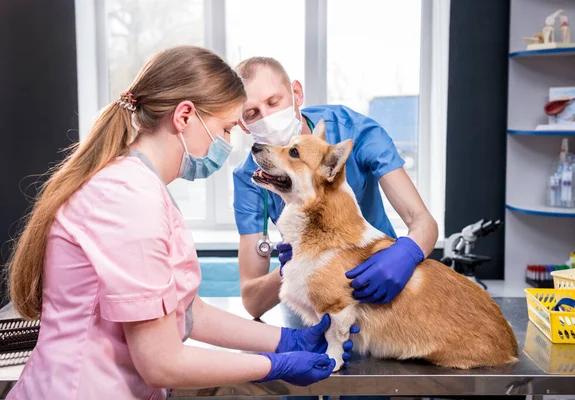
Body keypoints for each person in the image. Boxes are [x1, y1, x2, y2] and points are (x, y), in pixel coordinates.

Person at [6, 46, 359, 400]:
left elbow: (186, 312)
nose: (226, 143)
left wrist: (287, 340)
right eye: (224, 129)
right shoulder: (128, 198)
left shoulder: (140, 187)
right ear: (185, 116)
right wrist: (273, 365)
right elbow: (162, 362)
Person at [233, 57, 439, 319]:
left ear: (296, 93)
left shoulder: (353, 131)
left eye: (274, 102)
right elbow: (253, 301)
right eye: (252, 114)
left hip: (382, 282)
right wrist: (292, 267)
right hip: (317, 296)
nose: (268, 118)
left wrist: (405, 254)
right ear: (241, 123)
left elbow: (423, 221)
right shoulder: (250, 177)